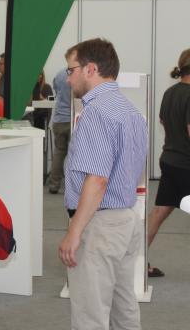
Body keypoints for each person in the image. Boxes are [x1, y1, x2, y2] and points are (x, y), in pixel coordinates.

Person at [58, 38, 147, 330]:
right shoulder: (131, 111)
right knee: (124, 309)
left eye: (71, 70)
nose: (67, 78)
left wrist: (75, 231)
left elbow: (96, 179)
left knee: (90, 315)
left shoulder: (96, 112)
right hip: (126, 220)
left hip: (99, 225)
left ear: (90, 69)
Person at [146, 48, 190, 278]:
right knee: (160, 212)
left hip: (170, 160)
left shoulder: (170, 92)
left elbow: (163, 120)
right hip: (186, 164)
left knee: (159, 212)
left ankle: (136, 262)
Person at [47, 68, 72, 194]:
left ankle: (54, 185)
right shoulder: (82, 73)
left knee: (59, 152)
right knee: (76, 154)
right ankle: (74, 187)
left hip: (59, 118)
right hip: (74, 119)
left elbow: (56, 91)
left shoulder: (59, 74)